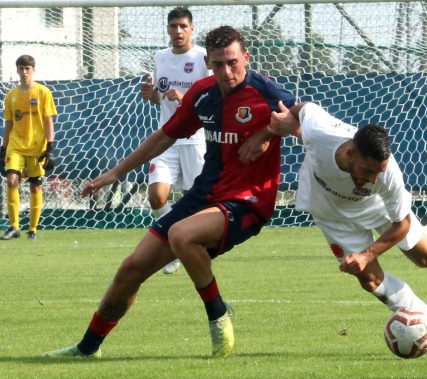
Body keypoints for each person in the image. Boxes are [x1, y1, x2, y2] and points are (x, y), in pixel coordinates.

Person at [43, 26, 295, 359]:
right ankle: (87, 348)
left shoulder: (265, 91)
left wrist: (265, 132)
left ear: (246, 57)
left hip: (247, 201)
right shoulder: (203, 93)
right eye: (218, 64)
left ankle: (218, 314)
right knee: (131, 270)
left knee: (182, 235)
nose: (226, 71)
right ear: (208, 63)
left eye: (232, 62)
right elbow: (164, 137)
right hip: (204, 197)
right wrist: (114, 173)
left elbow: (300, 114)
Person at [269, 101, 427, 355]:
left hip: (378, 208)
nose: (372, 179)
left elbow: (402, 224)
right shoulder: (320, 132)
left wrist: (367, 254)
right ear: (351, 153)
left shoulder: (388, 176)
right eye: (368, 170)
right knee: (369, 279)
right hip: (333, 215)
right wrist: (290, 120)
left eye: (379, 172)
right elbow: (306, 107)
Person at [139, 6, 212, 274]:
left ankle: (193, 248)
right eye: (173, 26)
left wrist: (186, 100)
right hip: (166, 138)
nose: (178, 31)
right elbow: (161, 96)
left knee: (197, 204)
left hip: (195, 139)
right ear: (168, 29)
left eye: (183, 26)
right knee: (157, 197)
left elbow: (214, 99)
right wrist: (152, 95)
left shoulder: (204, 57)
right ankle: (172, 248)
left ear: (192, 29)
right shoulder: (160, 57)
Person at [1, 55, 57, 240]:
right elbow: (8, 123)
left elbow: (48, 121)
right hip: (16, 146)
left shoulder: (42, 92)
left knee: (35, 187)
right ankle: (14, 226)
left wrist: (50, 147)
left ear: (33, 70)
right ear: (17, 70)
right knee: (11, 181)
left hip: (36, 147)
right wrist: (4, 147)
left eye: (28, 69)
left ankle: (32, 229)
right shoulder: (11, 96)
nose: (24, 72)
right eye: (21, 68)